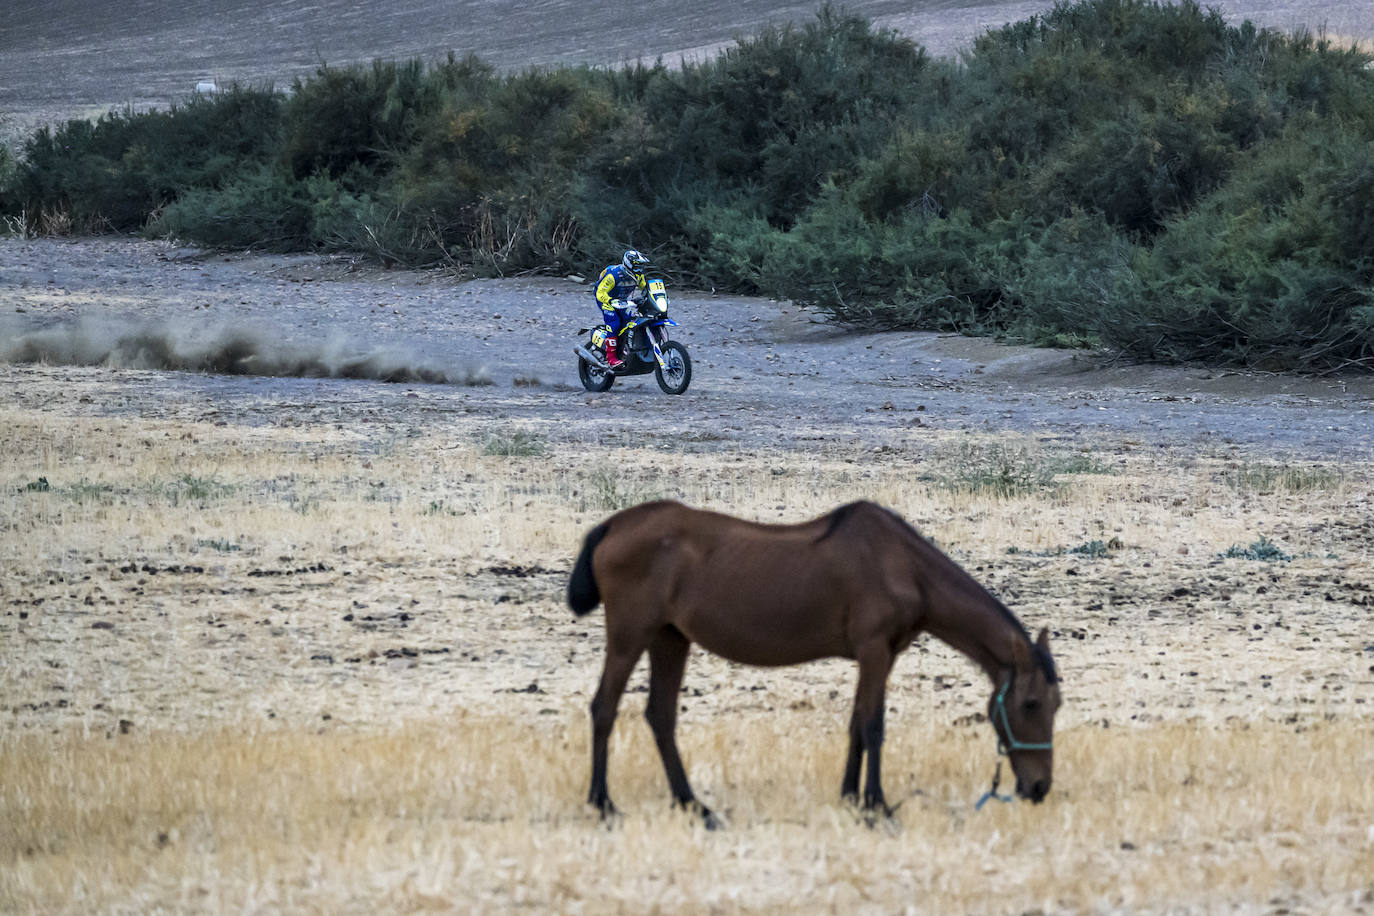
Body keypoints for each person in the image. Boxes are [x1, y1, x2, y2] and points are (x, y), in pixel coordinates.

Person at [594, 249, 650, 369]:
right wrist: (609, 300)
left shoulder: (638, 276)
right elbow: (600, 292)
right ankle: (611, 358)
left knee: (630, 321)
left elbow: (646, 288)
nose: (640, 269)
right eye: (637, 266)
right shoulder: (613, 275)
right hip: (605, 298)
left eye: (641, 266)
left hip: (621, 300)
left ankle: (624, 348)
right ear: (629, 264)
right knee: (614, 323)